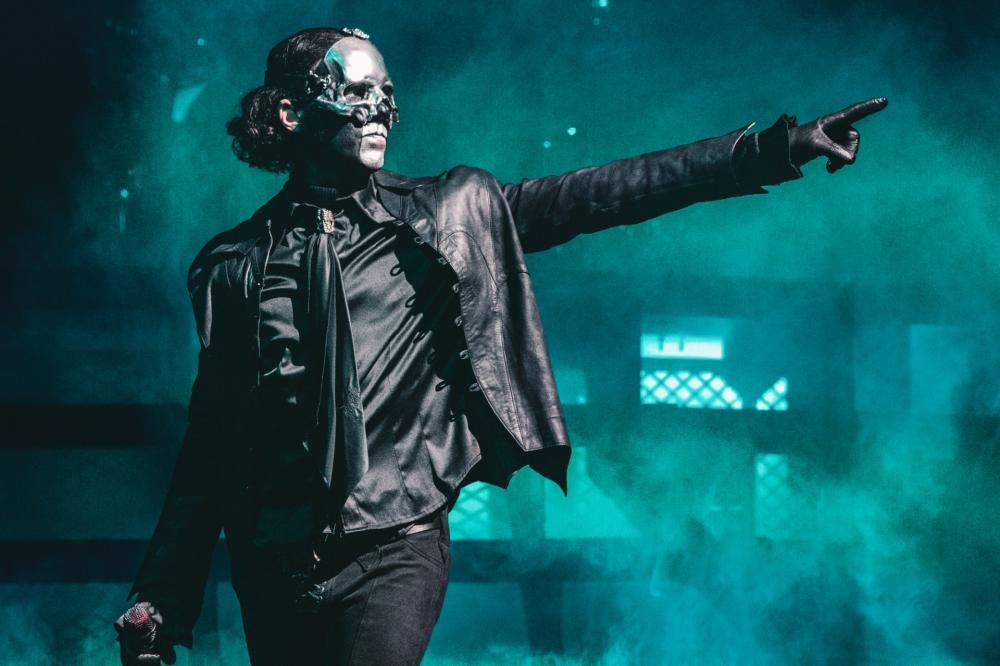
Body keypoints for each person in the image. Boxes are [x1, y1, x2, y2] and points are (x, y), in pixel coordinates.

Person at [114, 26, 887, 666]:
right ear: (290, 113)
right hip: (273, 559)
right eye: (355, 91)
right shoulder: (234, 265)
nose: (380, 109)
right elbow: (211, 444)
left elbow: (601, 193)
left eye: (386, 91)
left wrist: (773, 150)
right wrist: (161, 597)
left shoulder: (445, 213)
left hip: (395, 548)